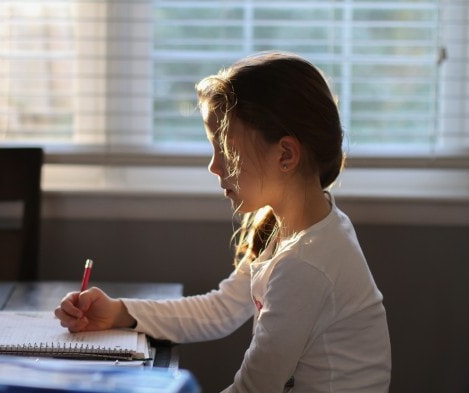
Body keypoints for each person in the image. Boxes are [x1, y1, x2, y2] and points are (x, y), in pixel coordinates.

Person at [55, 51, 391, 392]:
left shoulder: (307, 263)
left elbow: (253, 388)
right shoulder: (289, 226)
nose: (214, 167)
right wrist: (118, 312)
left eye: (226, 151)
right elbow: (221, 309)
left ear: (286, 155)